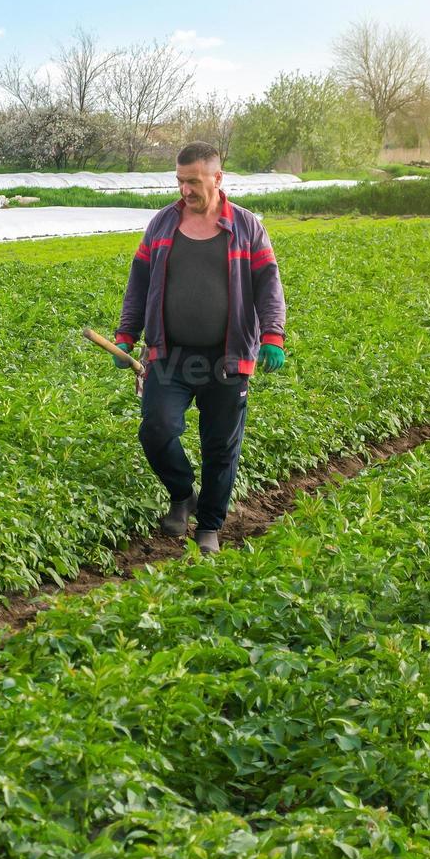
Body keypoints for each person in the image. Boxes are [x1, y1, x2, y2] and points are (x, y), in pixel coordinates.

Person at [113, 141, 287, 554]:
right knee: (156, 429)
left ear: (217, 178)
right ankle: (182, 493)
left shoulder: (247, 226)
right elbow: (139, 282)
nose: (185, 190)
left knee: (220, 446)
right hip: (168, 354)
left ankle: (209, 525)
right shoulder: (161, 224)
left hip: (227, 358)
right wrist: (127, 333)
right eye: (179, 181)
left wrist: (273, 336)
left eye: (193, 181)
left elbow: (268, 285)